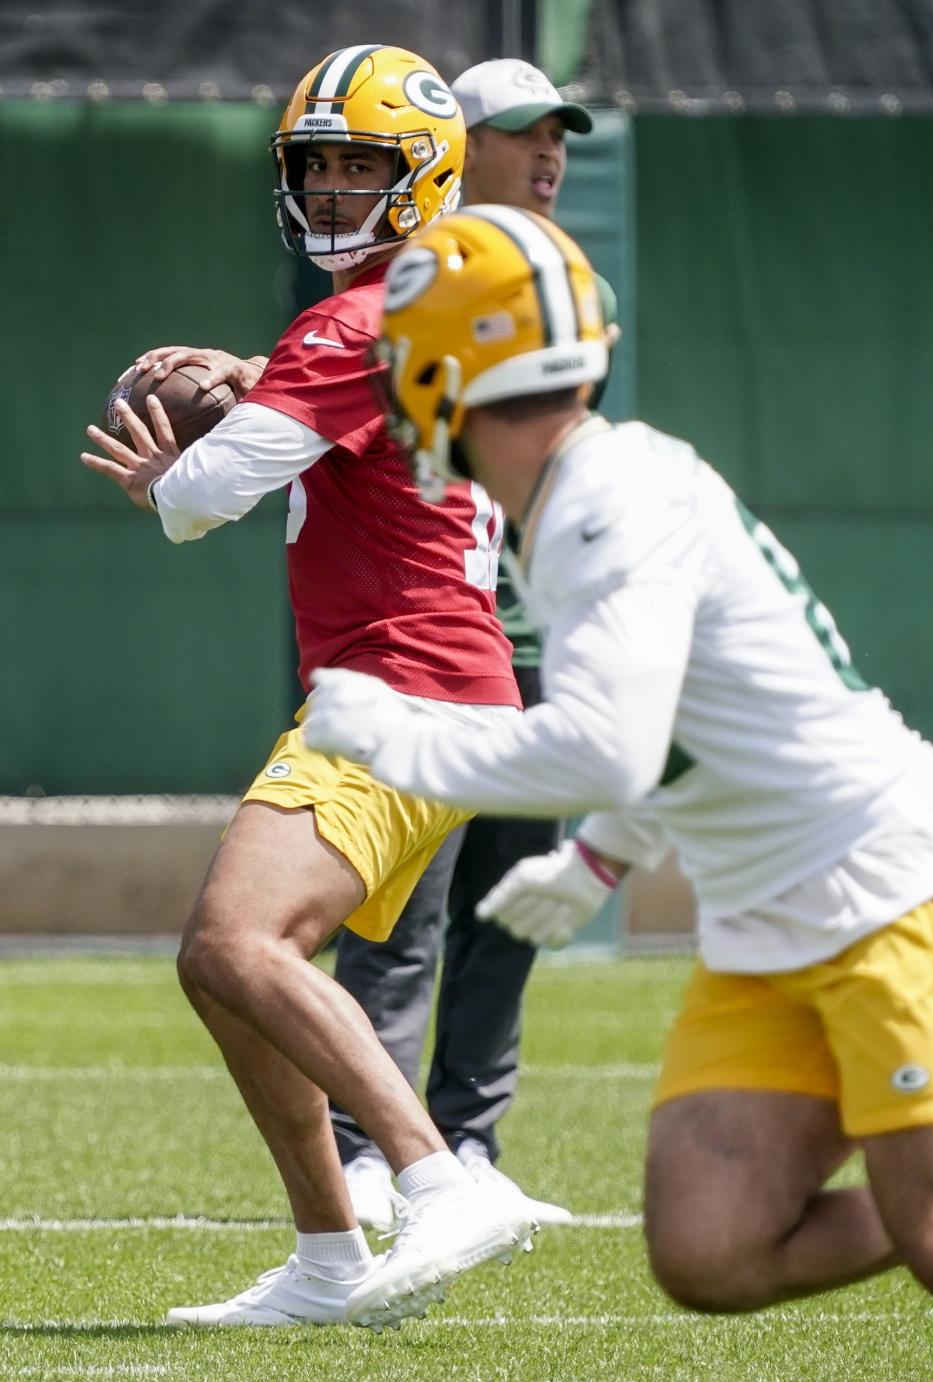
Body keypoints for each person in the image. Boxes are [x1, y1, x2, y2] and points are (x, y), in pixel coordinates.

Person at [303, 205, 933, 1314]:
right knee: (713, 1249)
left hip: (875, 887)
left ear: (437, 373)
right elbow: (685, 721)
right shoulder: (581, 491)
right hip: (766, 919)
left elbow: (608, 747)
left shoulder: (603, 501)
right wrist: (599, 864)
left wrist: (395, 733)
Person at [79, 49, 537, 1333]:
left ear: (424, 176)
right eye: (318, 164)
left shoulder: (356, 319)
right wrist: (258, 378)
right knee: (219, 965)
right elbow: (348, 431)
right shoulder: (421, 310)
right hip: (429, 682)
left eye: (362, 166)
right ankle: (331, 1256)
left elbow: (202, 502)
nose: (335, 188)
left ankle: (441, 1178)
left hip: (406, 683)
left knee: (237, 943)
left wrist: (162, 470)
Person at [331, 58, 597, 1233]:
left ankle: (470, 1145)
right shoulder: (399, 280)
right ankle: (363, 1154)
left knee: (506, 902)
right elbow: (341, 399)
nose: (547, 155)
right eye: (520, 133)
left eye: (560, 137)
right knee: (399, 910)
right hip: (429, 643)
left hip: (534, 637)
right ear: (456, 149)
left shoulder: (556, 277)